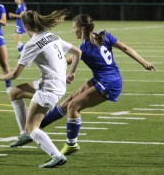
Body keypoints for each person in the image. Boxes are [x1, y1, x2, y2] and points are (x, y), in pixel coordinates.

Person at [39, 13, 156, 155]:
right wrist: (144, 62)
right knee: (68, 101)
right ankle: (37, 127)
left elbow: (67, 61)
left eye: (74, 27)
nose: (73, 31)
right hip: (104, 78)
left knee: (73, 106)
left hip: (109, 83)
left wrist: (45, 61)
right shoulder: (104, 36)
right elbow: (125, 48)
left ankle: (71, 144)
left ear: (81, 28)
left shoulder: (84, 48)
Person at [0, 9, 81, 168]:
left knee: (33, 128)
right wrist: (71, 74)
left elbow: (15, 74)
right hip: (56, 83)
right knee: (15, 92)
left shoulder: (32, 44)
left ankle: (57, 156)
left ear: (24, 25)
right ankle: (24, 134)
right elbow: (78, 52)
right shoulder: (52, 36)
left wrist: (3, 77)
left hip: (49, 88)